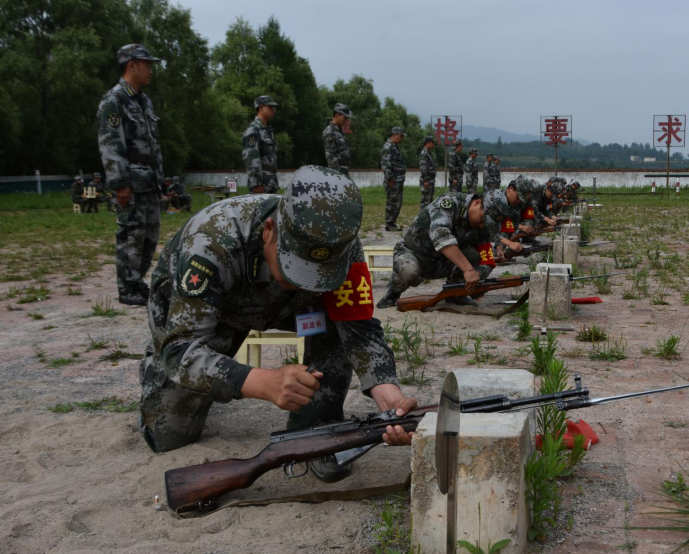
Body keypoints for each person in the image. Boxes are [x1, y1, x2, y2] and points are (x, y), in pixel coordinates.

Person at [139, 166, 417, 481]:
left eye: (321, 274)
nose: (308, 284)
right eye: (295, 268)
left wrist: (387, 389)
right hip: (206, 318)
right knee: (169, 437)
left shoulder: (344, 245)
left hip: (288, 311)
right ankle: (154, 366)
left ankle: (314, 430)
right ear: (269, 230)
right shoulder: (212, 241)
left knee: (337, 325)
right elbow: (180, 350)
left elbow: (359, 326)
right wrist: (264, 382)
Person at [97, 43, 164, 307]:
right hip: (131, 181)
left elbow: (153, 144)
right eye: (146, 64)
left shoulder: (144, 101)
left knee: (149, 235)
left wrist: (161, 178)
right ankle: (127, 286)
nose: (150, 69)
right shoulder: (114, 100)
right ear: (131, 65)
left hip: (149, 180)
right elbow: (110, 143)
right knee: (130, 234)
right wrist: (119, 182)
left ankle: (137, 282)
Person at [375, 190, 515, 309]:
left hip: (442, 261)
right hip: (414, 253)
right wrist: (468, 270)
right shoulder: (449, 203)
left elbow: (487, 258)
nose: (482, 226)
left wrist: (478, 275)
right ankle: (392, 293)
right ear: (477, 203)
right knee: (408, 271)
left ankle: (455, 293)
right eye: (483, 219)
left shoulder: (482, 226)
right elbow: (441, 238)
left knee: (473, 255)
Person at [243, 95, 279, 194]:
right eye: (270, 107)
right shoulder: (253, 129)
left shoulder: (268, 130)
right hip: (261, 185)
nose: (274, 110)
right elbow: (251, 158)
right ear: (262, 108)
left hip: (270, 183)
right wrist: (257, 184)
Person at [381, 127, 407, 231]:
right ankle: (389, 224)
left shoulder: (394, 146)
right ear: (394, 135)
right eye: (401, 136)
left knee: (397, 202)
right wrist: (390, 178)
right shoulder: (388, 147)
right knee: (392, 202)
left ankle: (391, 222)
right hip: (393, 180)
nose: (402, 139)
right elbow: (385, 164)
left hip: (397, 180)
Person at [323, 103, 352, 177]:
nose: (346, 120)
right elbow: (331, 158)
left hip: (344, 174)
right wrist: (338, 178)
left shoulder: (339, 131)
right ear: (337, 115)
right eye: (345, 118)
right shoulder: (329, 132)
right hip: (336, 176)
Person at [419, 135, 437, 208]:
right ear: (427, 143)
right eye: (432, 142)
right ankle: (423, 217)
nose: (433, 144)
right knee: (426, 200)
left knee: (428, 199)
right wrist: (425, 180)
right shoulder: (424, 153)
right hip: (427, 180)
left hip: (430, 180)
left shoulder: (428, 153)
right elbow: (423, 168)